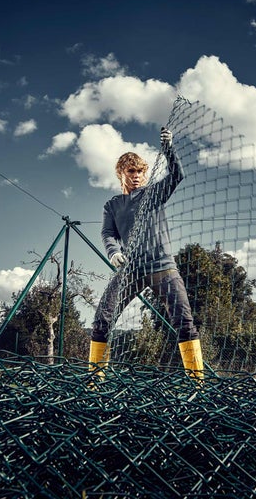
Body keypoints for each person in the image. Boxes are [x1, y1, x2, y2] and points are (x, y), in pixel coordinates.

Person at [88, 127, 204, 380]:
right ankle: (94, 383)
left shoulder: (153, 194)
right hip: (131, 270)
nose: (137, 176)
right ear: (121, 173)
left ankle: (198, 385)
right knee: (102, 321)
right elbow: (108, 234)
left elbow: (177, 175)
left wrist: (169, 150)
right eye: (131, 171)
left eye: (141, 171)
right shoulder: (113, 205)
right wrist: (113, 252)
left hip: (163, 268)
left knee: (184, 323)